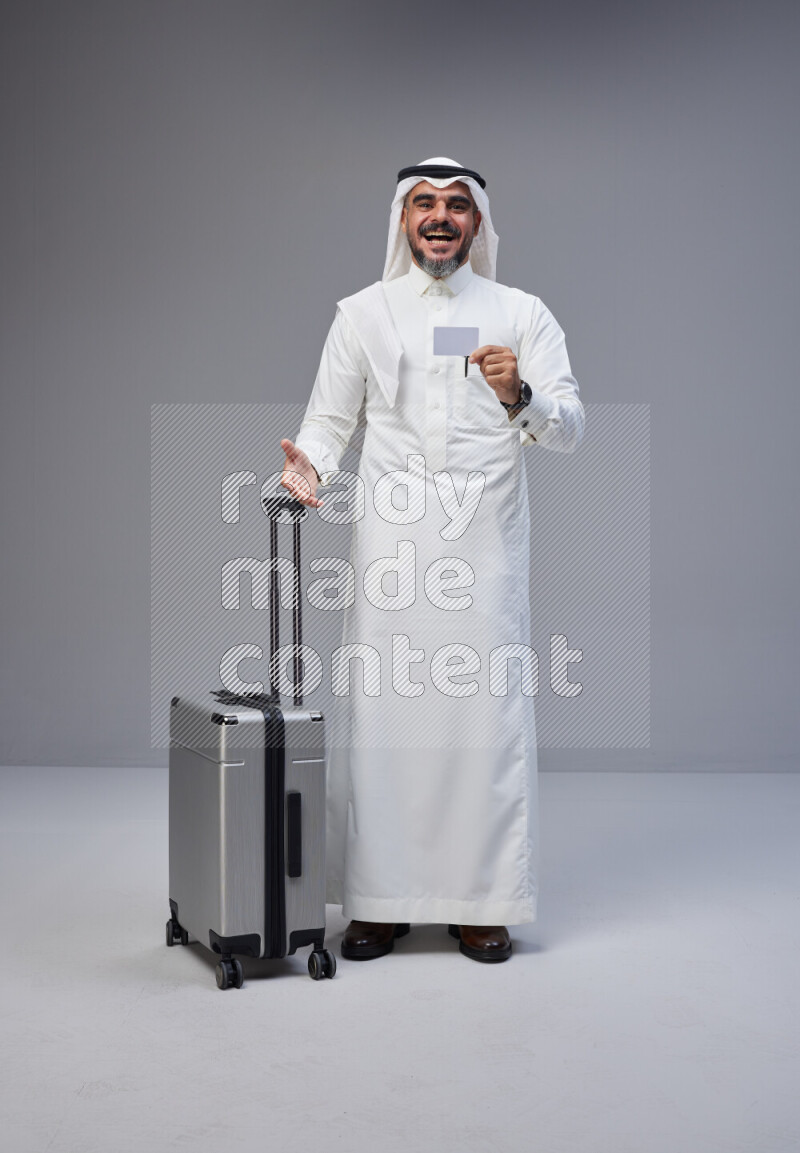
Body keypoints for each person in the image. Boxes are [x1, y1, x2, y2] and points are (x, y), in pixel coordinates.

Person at [279, 157, 584, 963]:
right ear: (402, 219)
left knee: (481, 720)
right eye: (424, 204)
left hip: (484, 545)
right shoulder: (363, 314)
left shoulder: (520, 313)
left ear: (478, 222)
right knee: (384, 720)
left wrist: (521, 394)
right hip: (391, 543)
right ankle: (378, 903)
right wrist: (306, 469)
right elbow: (327, 423)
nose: (440, 217)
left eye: (456, 205)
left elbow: (571, 427)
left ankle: (481, 903)